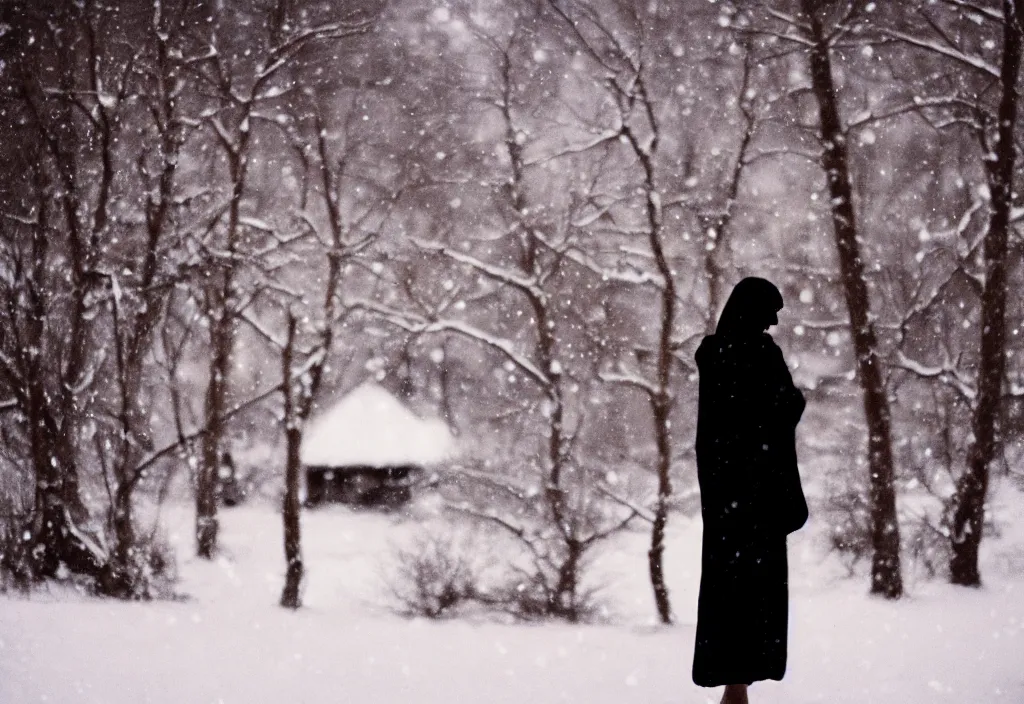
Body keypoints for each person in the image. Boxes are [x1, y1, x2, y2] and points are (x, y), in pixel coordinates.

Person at [692, 277, 809, 704]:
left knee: (730, 596)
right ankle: (737, 690)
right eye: (771, 310)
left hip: (726, 503)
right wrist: (793, 401)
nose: (775, 320)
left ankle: (734, 687)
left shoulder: (715, 355)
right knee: (755, 596)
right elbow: (780, 409)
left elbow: (715, 433)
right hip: (758, 502)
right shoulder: (760, 354)